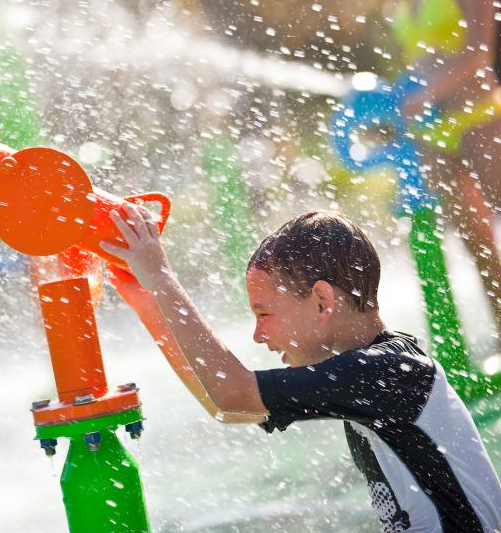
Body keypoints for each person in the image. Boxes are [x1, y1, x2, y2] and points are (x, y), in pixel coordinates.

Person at [101, 204, 501, 532]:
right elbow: (228, 407)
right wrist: (150, 302)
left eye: (264, 313)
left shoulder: (387, 373)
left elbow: (233, 393)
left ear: (323, 301)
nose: (258, 335)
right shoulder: (371, 374)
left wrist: (163, 279)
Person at [390, 0, 501, 333]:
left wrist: (429, 92)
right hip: (433, 134)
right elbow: (415, 62)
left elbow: (479, 53)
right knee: (477, 246)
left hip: (479, 117)